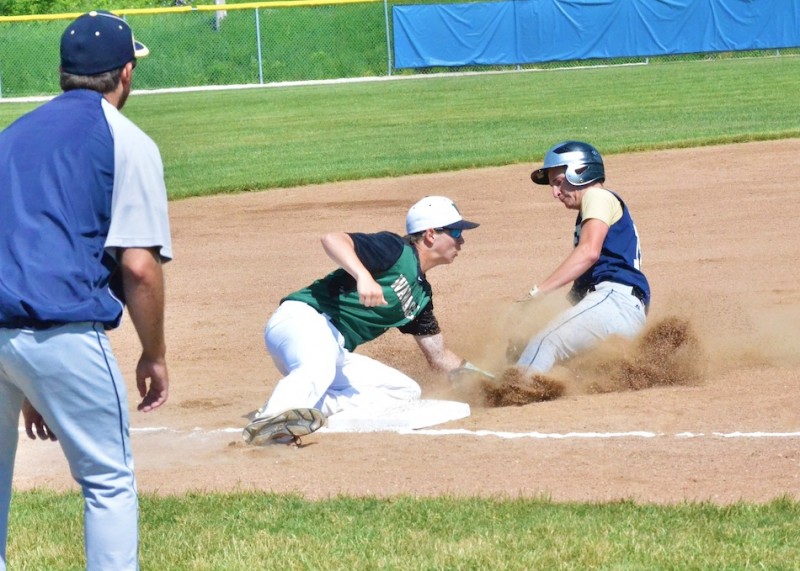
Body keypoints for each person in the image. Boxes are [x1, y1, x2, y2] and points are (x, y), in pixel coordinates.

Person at [0, 11, 172, 571]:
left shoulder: (11, 136)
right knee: (108, 482)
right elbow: (140, 268)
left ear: (62, 73)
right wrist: (154, 354)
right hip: (63, 333)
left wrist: (25, 379)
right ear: (126, 73)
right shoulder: (128, 140)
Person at [243, 196, 483, 445]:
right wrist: (363, 275)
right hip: (303, 320)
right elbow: (333, 239)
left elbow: (439, 356)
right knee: (318, 368)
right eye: (456, 232)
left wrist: (491, 382)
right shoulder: (394, 249)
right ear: (431, 235)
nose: (461, 239)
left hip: (332, 348)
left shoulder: (421, 296)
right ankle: (271, 422)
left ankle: (303, 408)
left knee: (403, 391)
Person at [515, 140, 650, 376]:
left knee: (547, 341)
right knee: (544, 346)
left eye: (558, 182)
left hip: (614, 300)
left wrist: (535, 294)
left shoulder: (597, 197)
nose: (555, 193)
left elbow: (588, 253)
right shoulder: (590, 214)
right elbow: (579, 295)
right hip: (615, 307)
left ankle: (511, 391)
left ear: (580, 171)